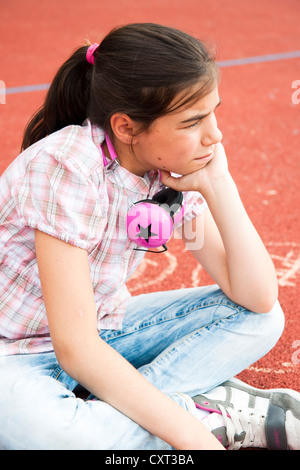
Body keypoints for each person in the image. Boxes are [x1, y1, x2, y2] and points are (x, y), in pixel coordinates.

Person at [0, 23, 298, 451]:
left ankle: (126, 415)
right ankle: (204, 416)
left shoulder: (167, 170)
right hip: (15, 351)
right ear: (125, 127)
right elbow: (75, 348)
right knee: (46, 436)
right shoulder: (66, 168)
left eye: (213, 112)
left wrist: (219, 184)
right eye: (193, 121)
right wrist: (191, 438)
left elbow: (256, 296)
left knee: (263, 318)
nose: (214, 134)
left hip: (101, 331)